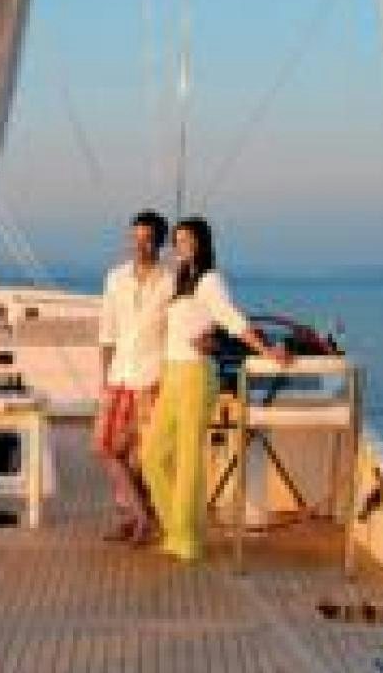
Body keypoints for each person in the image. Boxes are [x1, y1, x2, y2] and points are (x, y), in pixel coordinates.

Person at [141, 217, 286, 563]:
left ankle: (187, 539)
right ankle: (178, 528)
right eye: (177, 240)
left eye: (188, 239)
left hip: (195, 375)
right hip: (172, 373)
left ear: (202, 243)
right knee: (153, 455)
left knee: (190, 459)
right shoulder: (180, 280)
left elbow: (232, 319)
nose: (181, 246)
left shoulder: (210, 280)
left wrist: (266, 350)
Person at [95, 211, 175, 545]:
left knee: (141, 457)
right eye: (135, 238)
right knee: (106, 448)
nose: (139, 245)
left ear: (159, 241)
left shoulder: (172, 280)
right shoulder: (115, 278)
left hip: (153, 376)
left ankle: (135, 520)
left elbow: (178, 330)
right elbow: (107, 332)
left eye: (147, 239)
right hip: (119, 376)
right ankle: (140, 516)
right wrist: (104, 379)